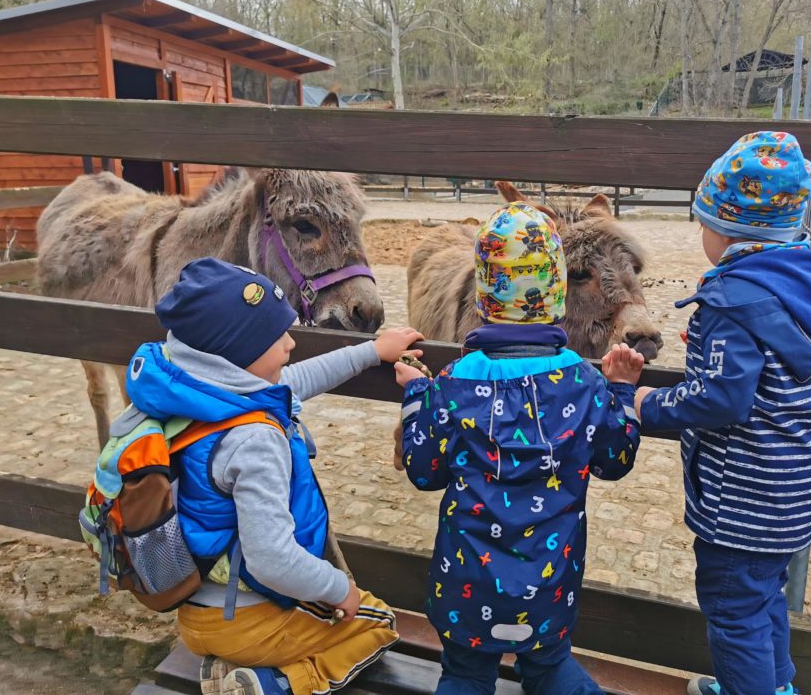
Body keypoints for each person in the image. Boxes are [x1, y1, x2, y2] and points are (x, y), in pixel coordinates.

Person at [122, 257, 423, 695]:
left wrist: (372, 351)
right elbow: (272, 558)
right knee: (378, 624)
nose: (290, 344)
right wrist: (340, 589)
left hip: (198, 616)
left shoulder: (194, 393)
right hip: (250, 621)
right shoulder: (253, 440)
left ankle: (228, 671)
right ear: (238, 353)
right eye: (275, 335)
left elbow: (292, 380)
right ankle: (275, 685)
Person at [633, 132, 811, 695]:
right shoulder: (808, 284)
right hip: (793, 488)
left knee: (733, 611)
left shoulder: (733, 303)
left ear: (728, 230)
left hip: (744, 498)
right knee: (763, 598)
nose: (701, 233)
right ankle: (774, 688)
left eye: (702, 221)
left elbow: (720, 400)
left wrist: (646, 405)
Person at [395, 202, 645, 695]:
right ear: (556, 297)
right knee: (550, 667)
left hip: (466, 584)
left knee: (465, 675)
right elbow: (616, 460)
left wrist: (414, 396)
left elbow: (423, 471)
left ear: (485, 298)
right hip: (550, 582)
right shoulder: (583, 382)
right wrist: (619, 390)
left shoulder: (452, 384)